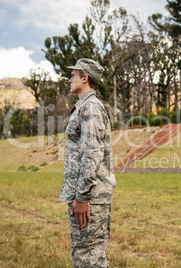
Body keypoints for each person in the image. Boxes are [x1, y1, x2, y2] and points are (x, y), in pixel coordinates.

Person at [59, 58, 116, 267]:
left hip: (90, 198)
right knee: (86, 255)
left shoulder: (90, 107)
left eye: (73, 75)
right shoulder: (84, 106)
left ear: (85, 78)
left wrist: (82, 197)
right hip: (87, 196)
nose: (69, 79)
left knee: (90, 258)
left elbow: (92, 154)